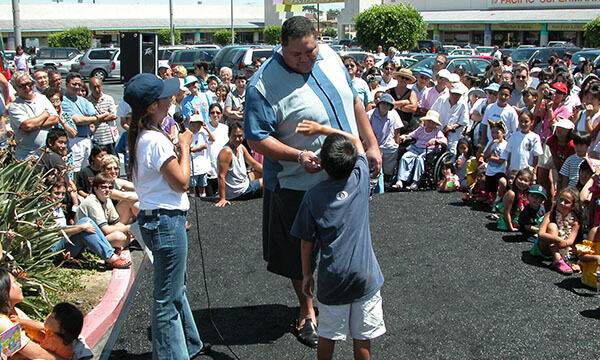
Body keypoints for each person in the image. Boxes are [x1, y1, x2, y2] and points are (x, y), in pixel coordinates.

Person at [243, 16, 381, 348]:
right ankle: (307, 310)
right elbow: (257, 140)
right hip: (296, 185)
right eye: (296, 55)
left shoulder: (331, 57)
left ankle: (348, 296)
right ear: (282, 48)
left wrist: (371, 143)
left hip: (347, 176)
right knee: (298, 251)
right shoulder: (262, 85)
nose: (305, 60)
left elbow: (355, 101)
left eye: (311, 51)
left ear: (317, 39)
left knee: (346, 243)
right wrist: (297, 156)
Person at [124, 73, 211, 358]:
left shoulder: (142, 136)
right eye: (165, 96)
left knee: (174, 290)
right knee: (167, 299)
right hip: (165, 221)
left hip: (156, 219)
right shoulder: (155, 140)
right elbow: (182, 181)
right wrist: (185, 146)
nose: (172, 98)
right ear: (151, 106)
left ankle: (187, 344)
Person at [291, 129, 385, 360]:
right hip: (366, 276)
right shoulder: (360, 179)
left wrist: (307, 275)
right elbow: (355, 139)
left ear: (322, 163)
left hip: (333, 278)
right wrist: (321, 128)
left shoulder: (313, 197)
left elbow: (306, 242)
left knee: (328, 336)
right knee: (362, 338)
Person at [46, 175, 131, 269]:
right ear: (47, 192)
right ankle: (110, 257)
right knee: (85, 223)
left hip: (68, 243)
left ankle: (109, 255)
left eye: (62, 194)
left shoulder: (57, 207)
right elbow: (56, 232)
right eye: (56, 193)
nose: (60, 197)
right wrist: (81, 228)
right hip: (55, 250)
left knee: (88, 222)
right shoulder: (44, 210)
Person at [0, 268, 65, 360]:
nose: (20, 285)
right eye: (14, 282)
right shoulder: (2, 323)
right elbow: (36, 354)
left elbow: (39, 334)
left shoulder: (15, 311)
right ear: (3, 291)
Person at [61, 72, 114, 175]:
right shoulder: (64, 101)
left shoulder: (83, 101)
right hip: (74, 140)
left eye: (79, 84)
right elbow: (77, 120)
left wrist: (92, 119)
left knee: (85, 169)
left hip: (87, 138)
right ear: (67, 84)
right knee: (74, 170)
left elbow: (93, 117)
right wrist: (94, 118)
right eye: (74, 84)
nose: (77, 87)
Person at [532, 187, 584, 275]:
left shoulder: (575, 221)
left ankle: (559, 259)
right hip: (546, 247)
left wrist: (563, 243)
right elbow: (541, 234)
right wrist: (557, 239)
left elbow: (570, 241)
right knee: (552, 226)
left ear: (573, 206)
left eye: (566, 202)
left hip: (563, 247)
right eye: (561, 200)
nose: (562, 203)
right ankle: (557, 259)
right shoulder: (550, 214)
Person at [8, 71, 59, 159]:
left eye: (29, 84)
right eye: (22, 86)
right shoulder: (14, 106)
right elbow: (27, 126)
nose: (27, 88)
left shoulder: (42, 98)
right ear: (16, 88)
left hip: (48, 154)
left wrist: (34, 124)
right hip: (28, 157)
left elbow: (55, 119)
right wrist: (44, 115)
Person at [14, 302, 92, 360]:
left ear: (63, 329)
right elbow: (38, 325)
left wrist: (21, 355)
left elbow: (40, 350)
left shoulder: (54, 340)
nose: (48, 316)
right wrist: (21, 321)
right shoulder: (56, 332)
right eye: (50, 314)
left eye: (52, 317)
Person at [392, 110, 447, 191]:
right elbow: (411, 135)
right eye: (429, 121)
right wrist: (405, 137)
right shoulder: (420, 130)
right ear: (425, 121)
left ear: (435, 124)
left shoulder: (437, 132)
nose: (430, 124)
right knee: (405, 157)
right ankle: (400, 180)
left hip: (429, 151)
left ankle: (416, 182)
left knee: (420, 159)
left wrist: (436, 141)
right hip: (417, 148)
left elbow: (445, 142)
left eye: (432, 122)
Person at [76, 173, 131, 251]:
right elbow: (106, 230)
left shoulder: (107, 199)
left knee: (125, 235)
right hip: (87, 240)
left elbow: (116, 222)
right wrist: (130, 228)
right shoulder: (92, 202)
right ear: (95, 189)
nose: (107, 190)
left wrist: (127, 230)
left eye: (110, 187)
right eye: (103, 187)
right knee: (119, 237)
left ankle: (116, 246)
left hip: (101, 235)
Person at [215, 122, 263, 207]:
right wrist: (222, 198)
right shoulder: (226, 152)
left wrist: (271, 172)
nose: (238, 139)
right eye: (234, 136)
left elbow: (253, 164)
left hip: (243, 181)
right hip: (238, 191)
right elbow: (221, 176)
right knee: (268, 180)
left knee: (261, 173)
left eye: (240, 136)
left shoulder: (241, 147)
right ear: (229, 135)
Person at [537, 118, 575, 207]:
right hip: (560, 165)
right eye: (558, 127)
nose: (559, 130)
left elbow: (570, 162)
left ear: (568, 131)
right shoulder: (551, 141)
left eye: (562, 129)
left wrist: (563, 175)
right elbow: (555, 158)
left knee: (564, 187)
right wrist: (559, 173)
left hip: (570, 168)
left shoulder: (571, 145)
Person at [367, 93, 403, 177]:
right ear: (379, 104)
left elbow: (397, 130)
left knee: (389, 166)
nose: (385, 106)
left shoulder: (394, 114)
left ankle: (387, 179)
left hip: (388, 145)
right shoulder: (369, 114)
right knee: (374, 168)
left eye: (388, 104)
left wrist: (397, 144)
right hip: (373, 145)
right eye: (383, 103)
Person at [100, 154, 139, 225]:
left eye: (116, 168)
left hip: (117, 214)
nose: (113, 171)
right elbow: (125, 196)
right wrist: (145, 194)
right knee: (129, 201)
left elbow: (138, 187)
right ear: (103, 170)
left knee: (136, 202)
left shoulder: (117, 181)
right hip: (108, 218)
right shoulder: (103, 185)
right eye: (109, 169)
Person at [431, 82, 469, 153]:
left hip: (453, 134)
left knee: (451, 151)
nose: (455, 96)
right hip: (438, 130)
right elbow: (432, 112)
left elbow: (464, 121)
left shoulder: (463, 104)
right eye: (454, 94)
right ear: (449, 92)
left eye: (458, 95)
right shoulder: (441, 99)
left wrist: (452, 127)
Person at [479, 82, 519, 150]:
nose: (503, 97)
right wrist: (483, 142)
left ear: (510, 97)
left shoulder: (511, 112)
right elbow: (485, 125)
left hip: (504, 147)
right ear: (498, 94)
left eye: (506, 95)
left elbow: (515, 131)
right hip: (490, 144)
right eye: (501, 94)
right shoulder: (489, 108)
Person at [88, 77, 118, 154]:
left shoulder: (108, 99)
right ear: (90, 88)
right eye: (94, 87)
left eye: (98, 86)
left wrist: (97, 118)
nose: (97, 89)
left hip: (109, 137)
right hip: (96, 137)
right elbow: (89, 119)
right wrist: (105, 114)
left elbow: (114, 116)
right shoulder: (88, 101)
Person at [188, 114, 215, 198]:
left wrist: (206, 128)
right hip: (192, 166)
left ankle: (202, 198)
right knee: (192, 186)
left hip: (202, 167)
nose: (196, 127)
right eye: (193, 125)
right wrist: (200, 147)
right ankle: (192, 198)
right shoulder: (188, 134)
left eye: (198, 125)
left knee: (202, 185)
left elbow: (212, 139)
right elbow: (188, 149)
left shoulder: (202, 134)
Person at [205, 103, 229, 196]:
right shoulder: (205, 128)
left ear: (221, 114)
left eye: (218, 112)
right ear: (209, 114)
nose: (215, 115)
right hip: (209, 167)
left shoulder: (225, 128)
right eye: (212, 112)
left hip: (222, 166)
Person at [482, 121, 508, 206]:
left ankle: (499, 199)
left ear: (503, 133)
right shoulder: (491, 142)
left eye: (497, 132)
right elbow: (485, 155)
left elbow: (501, 160)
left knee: (503, 182)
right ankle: (494, 203)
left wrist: (490, 157)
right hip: (490, 170)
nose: (495, 135)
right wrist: (492, 144)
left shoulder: (505, 145)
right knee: (492, 189)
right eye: (493, 133)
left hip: (500, 170)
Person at [387, 68, 418, 132]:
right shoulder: (389, 91)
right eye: (402, 77)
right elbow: (387, 106)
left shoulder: (412, 92)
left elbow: (413, 108)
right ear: (397, 78)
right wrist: (405, 102)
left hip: (407, 125)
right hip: (390, 125)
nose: (403, 80)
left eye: (406, 79)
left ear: (409, 81)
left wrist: (397, 106)